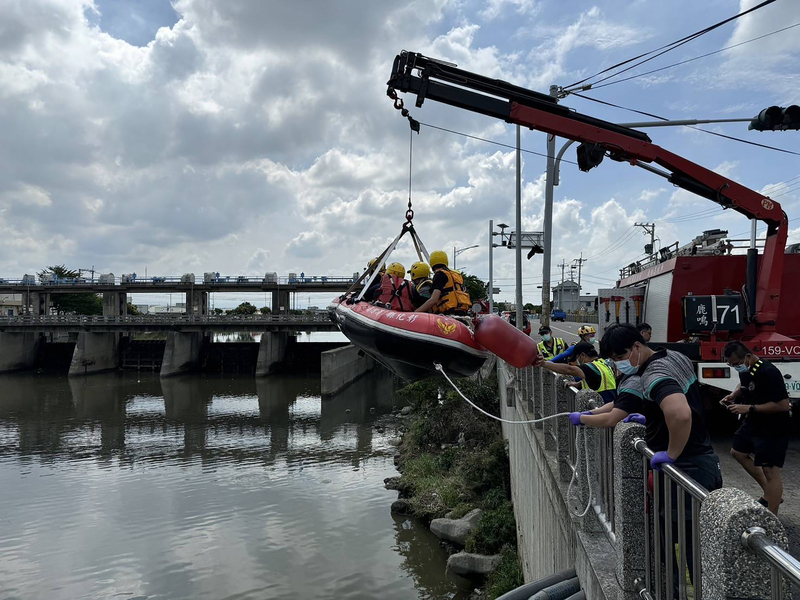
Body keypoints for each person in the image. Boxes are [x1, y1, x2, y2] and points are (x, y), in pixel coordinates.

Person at [601, 323, 722, 597]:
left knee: (685, 544)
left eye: (620, 357)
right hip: (702, 458)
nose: (618, 364)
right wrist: (649, 415)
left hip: (686, 465)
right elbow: (682, 402)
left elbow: (680, 414)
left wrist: (671, 455)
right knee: (694, 540)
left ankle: (687, 595)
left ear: (636, 347)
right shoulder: (673, 357)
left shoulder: (655, 373)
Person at [721, 341, 791, 515]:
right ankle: (771, 494)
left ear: (747, 356)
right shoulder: (747, 369)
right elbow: (744, 383)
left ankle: (772, 517)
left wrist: (749, 408)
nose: (735, 367)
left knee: (770, 470)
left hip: (773, 425)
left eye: (736, 364)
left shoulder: (768, 372)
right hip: (754, 421)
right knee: (738, 452)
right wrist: (734, 394)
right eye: (730, 365)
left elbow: (783, 405)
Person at [538, 341, 617, 404]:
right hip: (611, 406)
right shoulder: (603, 363)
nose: (577, 361)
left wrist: (544, 364)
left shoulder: (591, 367)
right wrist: (578, 384)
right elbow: (596, 380)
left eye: (577, 358)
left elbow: (568, 369)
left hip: (600, 409)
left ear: (582, 355)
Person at [414, 250, 472, 315]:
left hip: (449, 312)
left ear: (431, 262)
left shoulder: (439, 274)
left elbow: (434, 299)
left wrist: (416, 312)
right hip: (462, 311)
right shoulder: (456, 274)